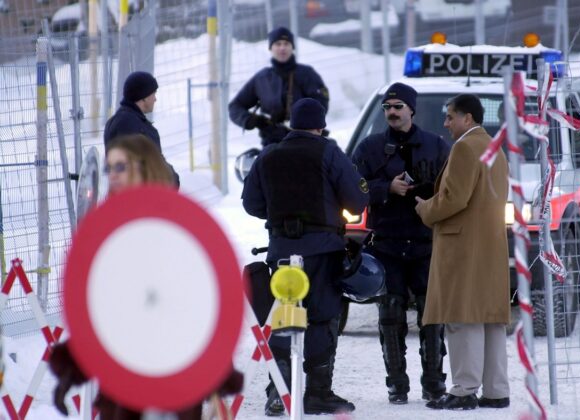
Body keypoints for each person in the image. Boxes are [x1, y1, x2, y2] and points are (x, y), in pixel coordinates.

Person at [49, 134, 243, 419]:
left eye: (120, 167)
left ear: (144, 167)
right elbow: (103, 314)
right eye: (109, 168)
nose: (112, 176)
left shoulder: (175, 227)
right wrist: (72, 368)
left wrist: (215, 370)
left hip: (172, 384)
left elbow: (196, 304)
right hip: (121, 387)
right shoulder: (108, 231)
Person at [242, 98, 368, 416]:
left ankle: (278, 393)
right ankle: (318, 393)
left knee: (282, 318)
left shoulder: (268, 155)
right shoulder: (329, 152)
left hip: (282, 252)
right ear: (320, 126)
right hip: (323, 251)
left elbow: (251, 204)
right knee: (323, 318)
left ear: (292, 125)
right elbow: (356, 200)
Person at [351, 82, 451, 405]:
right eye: (387, 107)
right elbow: (353, 188)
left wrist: (424, 187)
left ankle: (434, 382)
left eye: (397, 106)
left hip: (425, 242)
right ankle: (396, 383)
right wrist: (384, 189)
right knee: (390, 313)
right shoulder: (369, 148)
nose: (392, 112)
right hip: (387, 243)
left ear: (411, 109)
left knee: (431, 313)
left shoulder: (436, 146)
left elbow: (451, 189)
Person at [414, 94, 510, 410]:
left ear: (467, 118)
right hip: (490, 245)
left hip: (463, 246)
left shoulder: (465, 148)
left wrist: (425, 208)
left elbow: (454, 199)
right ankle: (496, 391)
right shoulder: (494, 148)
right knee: (490, 318)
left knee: (462, 317)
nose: (445, 123)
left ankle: (464, 389)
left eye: (450, 116)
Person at [229, 27, 330, 146]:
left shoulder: (306, 74)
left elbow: (321, 103)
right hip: (272, 143)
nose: (282, 48)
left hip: (305, 141)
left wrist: (303, 122)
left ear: (292, 47)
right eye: (278, 44)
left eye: (286, 44)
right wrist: (251, 120)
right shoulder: (262, 78)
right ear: (270, 48)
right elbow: (235, 106)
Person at [104, 71, 180, 186]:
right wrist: (169, 179)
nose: (155, 99)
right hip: (139, 197)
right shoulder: (128, 124)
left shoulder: (128, 120)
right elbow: (145, 164)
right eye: (153, 93)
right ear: (143, 97)